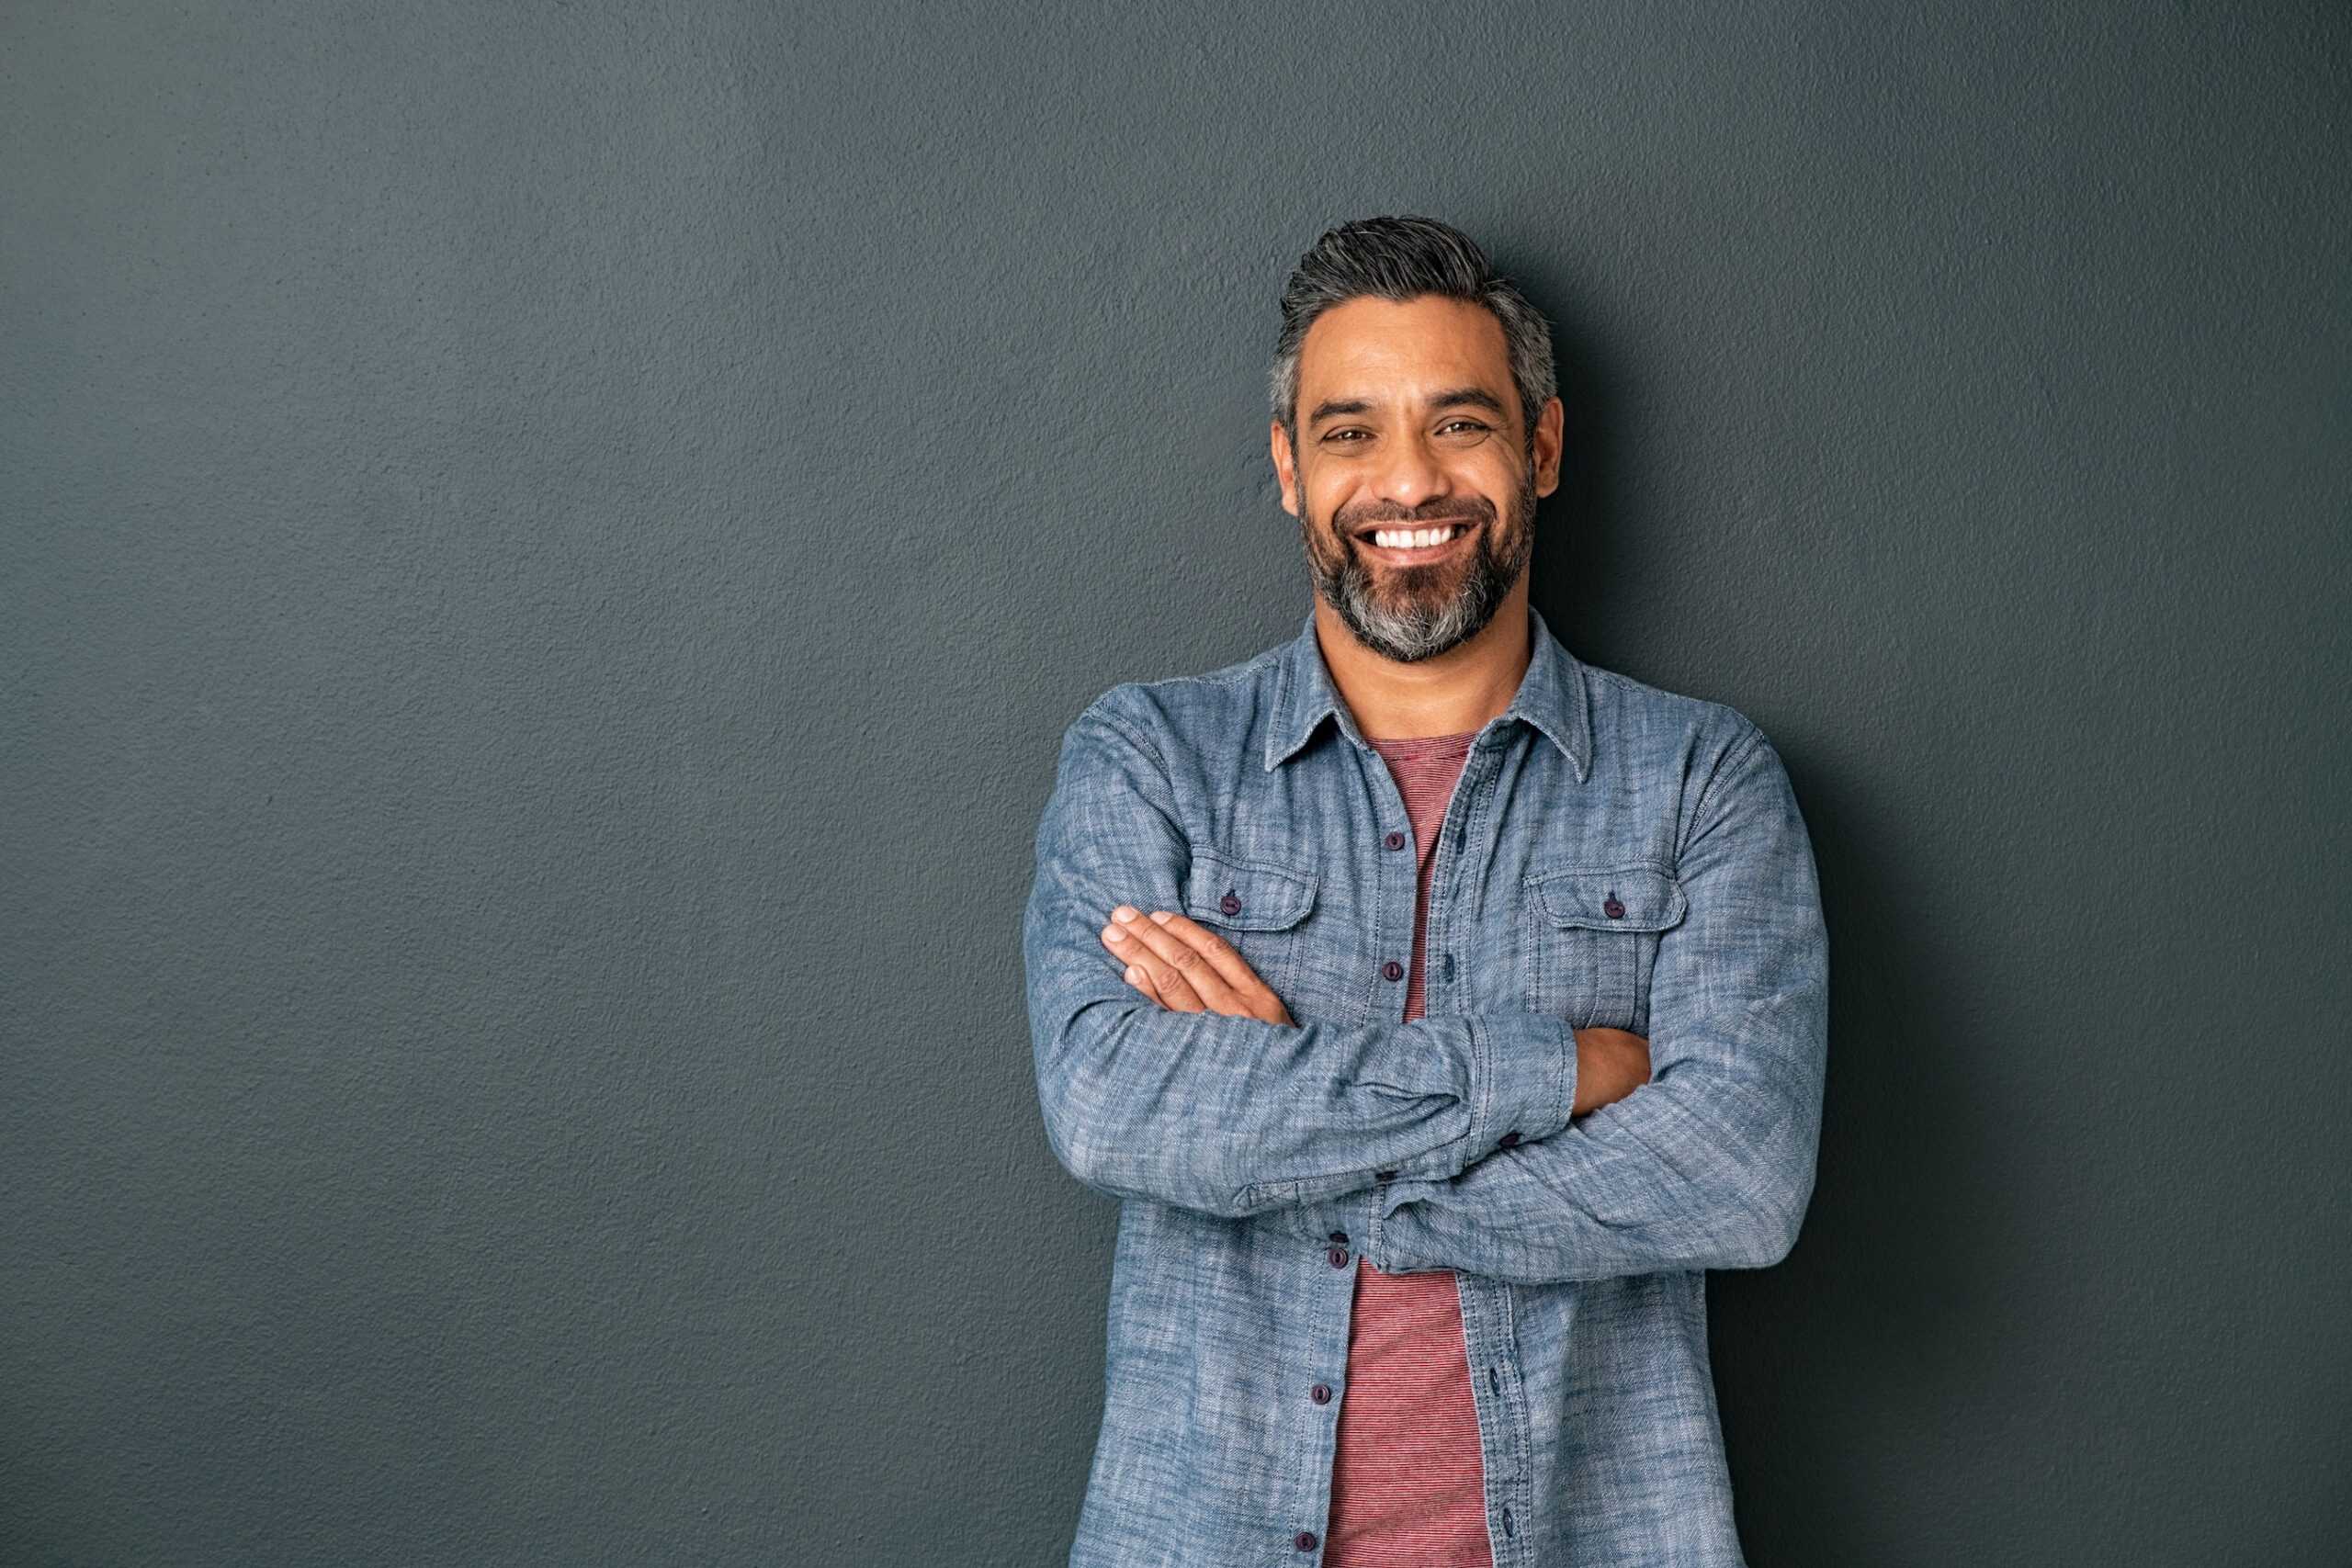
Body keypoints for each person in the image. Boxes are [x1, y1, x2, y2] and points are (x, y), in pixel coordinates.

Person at [1023, 216, 1826, 1568]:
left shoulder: (1702, 779)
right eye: (1349, 433)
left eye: (1459, 424)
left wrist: (1306, 1137)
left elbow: (1741, 1171)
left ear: (1543, 449)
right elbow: (1108, 1106)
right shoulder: (1149, 758)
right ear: (1288, 466)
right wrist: (1550, 1076)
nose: (1408, 482)